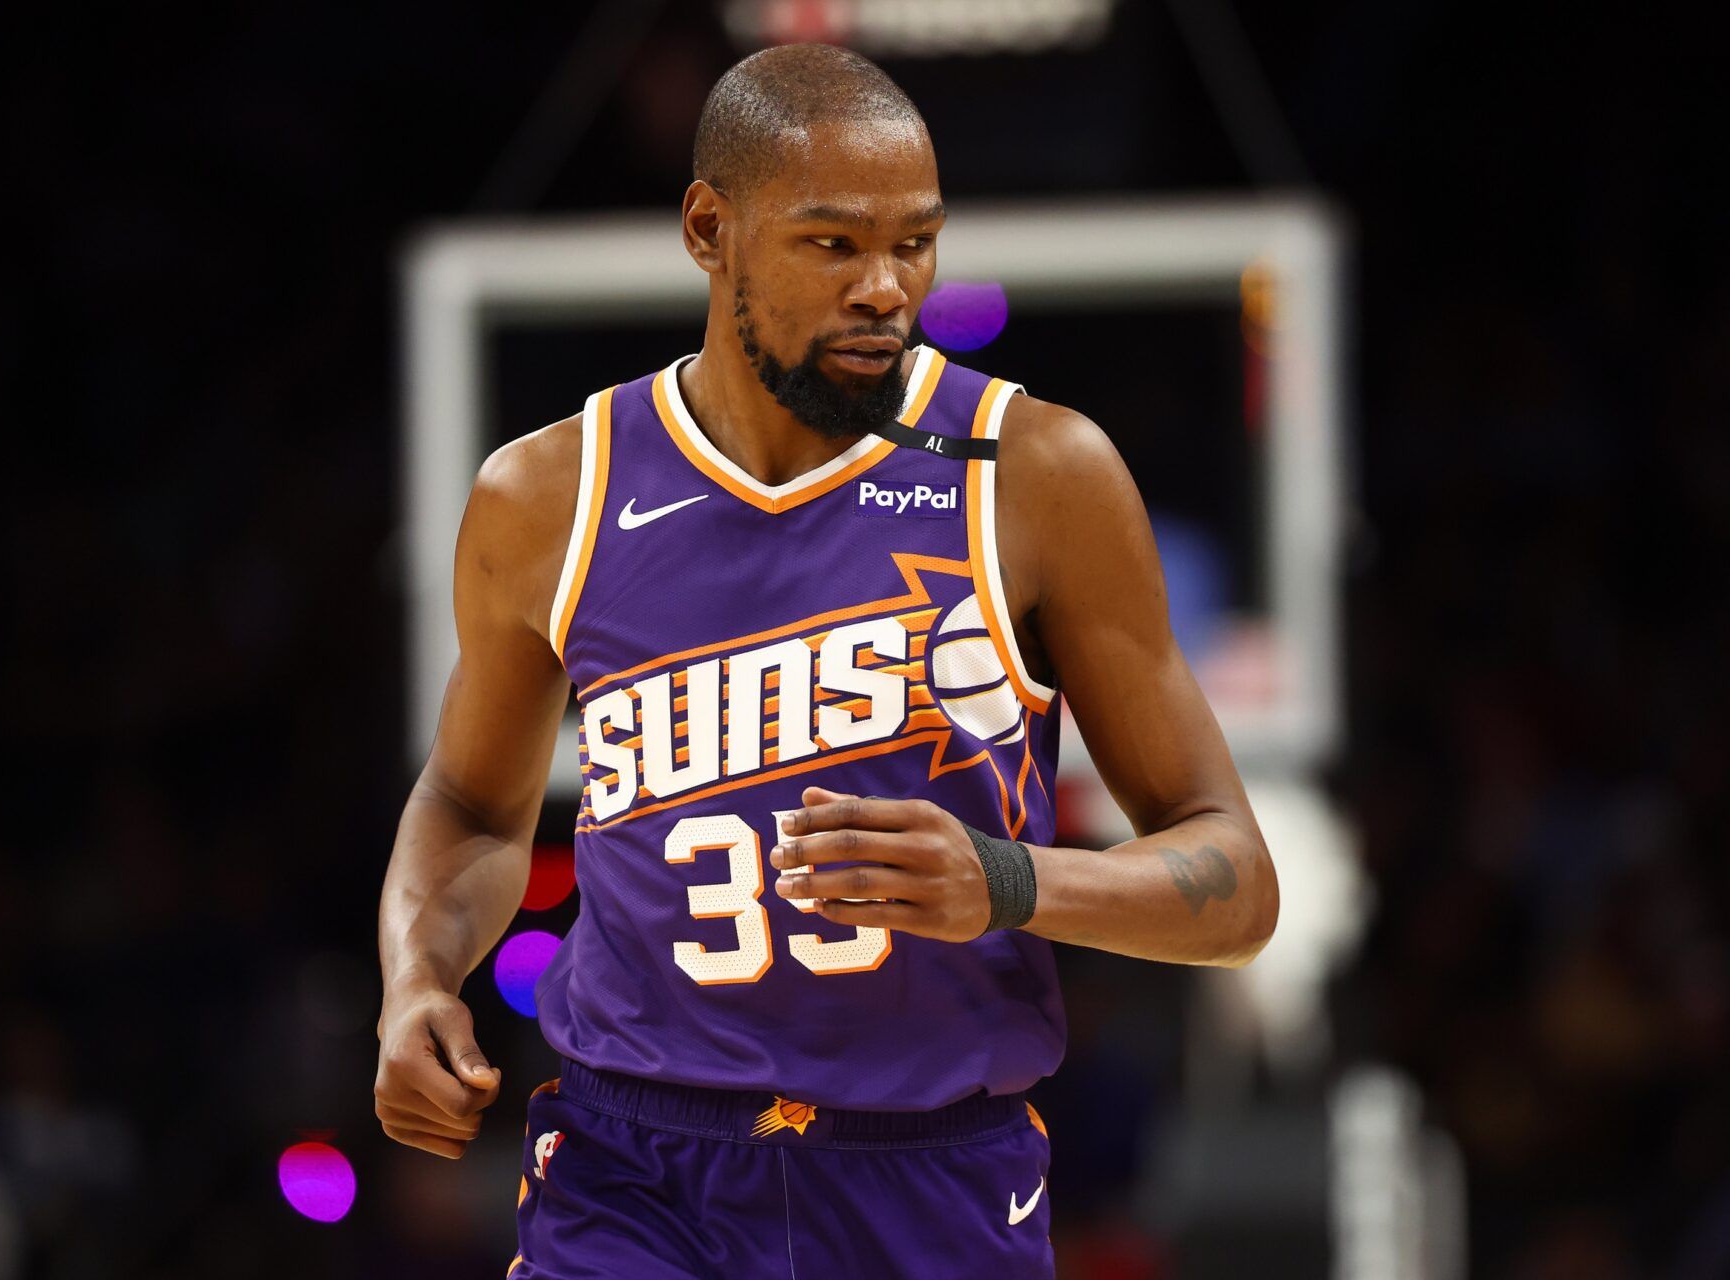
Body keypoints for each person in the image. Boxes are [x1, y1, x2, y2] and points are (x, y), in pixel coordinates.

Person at [375, 42, 1278, 1279]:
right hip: (633, 1169)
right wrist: (416, 976)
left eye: (915, 242)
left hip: (932, 1171)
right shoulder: (550, 495)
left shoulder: (1037, 476)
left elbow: (1235, 880)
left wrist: (1009, 882)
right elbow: (472, 803)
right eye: (834, 243)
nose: (885, 288)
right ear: (710, 229)